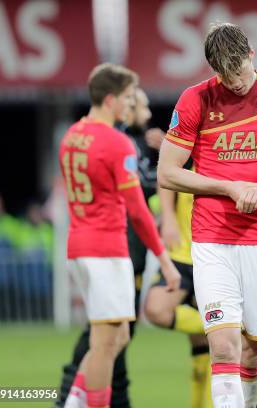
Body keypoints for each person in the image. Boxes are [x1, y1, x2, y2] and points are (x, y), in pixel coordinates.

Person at [156, 22, 257, 408]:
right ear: (213, 70)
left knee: (253, 350)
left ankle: (253, 400)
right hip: (212, 239)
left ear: (252, 55)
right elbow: (168, 172)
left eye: (240, 71)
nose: (236, 82)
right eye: (226, 75)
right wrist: (229, 187)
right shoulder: (194, 100)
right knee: (223, 347)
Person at [60, 63, 181, 408]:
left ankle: (74, 402)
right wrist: (165, 261)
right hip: (106, 250)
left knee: (119, 336)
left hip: (80, 245)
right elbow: (139, 211)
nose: (131, 104)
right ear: (111, 99)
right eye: (128, 97)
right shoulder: (118, 143)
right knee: (103, 343)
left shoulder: (73, 135)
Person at [144, 179, 213, 408]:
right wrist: (169, 218)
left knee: (206, 348)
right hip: (182, 255)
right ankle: (224, 324)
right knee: (155, 308)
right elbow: (165, 178)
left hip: (215, 258)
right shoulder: (187, 155)